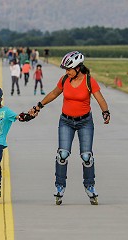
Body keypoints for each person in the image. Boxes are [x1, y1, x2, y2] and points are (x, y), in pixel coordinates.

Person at [28, 51, 110, 205]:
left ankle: (90, 187)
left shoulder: (89, 81)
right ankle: (59, 187)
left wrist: (105, 112)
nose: (66, 72)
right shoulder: (65, 79)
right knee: (62, 155)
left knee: (87, 157)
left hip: (85, 122)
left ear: (78, 68)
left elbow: (100, 98)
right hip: (66, 121)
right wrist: (39, 106)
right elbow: (54, 93)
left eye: (69, 69)